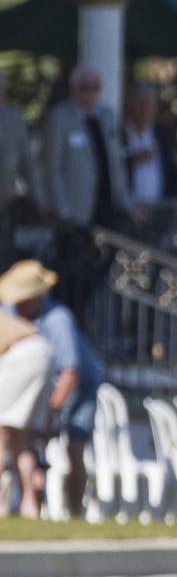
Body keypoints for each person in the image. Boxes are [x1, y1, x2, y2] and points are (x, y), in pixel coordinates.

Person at [1, 260, 103, 519]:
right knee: (26, 440)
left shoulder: (58, 319)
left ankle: (75, 511)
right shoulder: (12, 312)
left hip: (77, 387)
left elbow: (70, 372)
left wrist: (50, 412)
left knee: (74, 448)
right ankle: (31, 502)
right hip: (41, 383)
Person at [38, 67, 135, 229]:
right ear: (74, 89)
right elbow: (52, 168)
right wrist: (63, 209)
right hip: (76, 210)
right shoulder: (59, 117)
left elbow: (116, 164)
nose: (90, 92)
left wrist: (126, 204)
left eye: (95, 87)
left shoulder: (107, 117)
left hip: (106, 204)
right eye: (85, 87)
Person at [0, 310, 51, 518]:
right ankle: (30, 507)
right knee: (20, 439)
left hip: (21, 355)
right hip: (43, 352)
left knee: (1, 434)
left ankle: (1, 506)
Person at [121, 83, 177, 206]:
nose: (145, 108)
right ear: (129, 104)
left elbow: (174, 175)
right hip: (127, 212)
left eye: (150, 104)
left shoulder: (161, 136)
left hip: (158, 212)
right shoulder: (117, 135)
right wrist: (130, 159)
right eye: (141, 102)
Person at [0, 71, 38, 207]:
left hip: (7, 202)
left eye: (2, 89)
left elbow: (26, 160)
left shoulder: (14, 117)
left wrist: (36, 198)